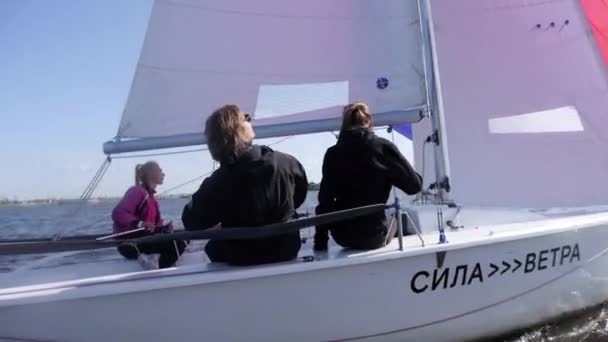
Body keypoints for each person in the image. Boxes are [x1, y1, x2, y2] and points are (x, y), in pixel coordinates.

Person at [182, 105, 308, 266]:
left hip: (241, 257)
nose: (250, 119)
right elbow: (298, 197)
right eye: (245, 117)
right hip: (286, 249)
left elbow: (191, 222)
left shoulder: (216, 182)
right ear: (236, 130)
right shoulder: (286, 162)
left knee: (213, 246)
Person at [314, 101, 422, 251]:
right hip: (373, 236)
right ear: (369, 121)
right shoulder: (382, 147)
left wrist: (320, 242)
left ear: (344, 123)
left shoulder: (332, 154)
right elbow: (414, 187)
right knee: (398, 219)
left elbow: (324, 201)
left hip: (342, 237)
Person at [112, 161, 186, 269]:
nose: (163, 174)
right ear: (151, 173)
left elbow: (155, 227)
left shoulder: (153, 200)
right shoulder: (137, 191)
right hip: (129, 244)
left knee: (184, 236)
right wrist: (140, 223)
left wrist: (164, 228)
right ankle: (159, 274)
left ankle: (159, 268)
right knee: (177, 243)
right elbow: (118, 213)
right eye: (160, 170)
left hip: (144, 241)